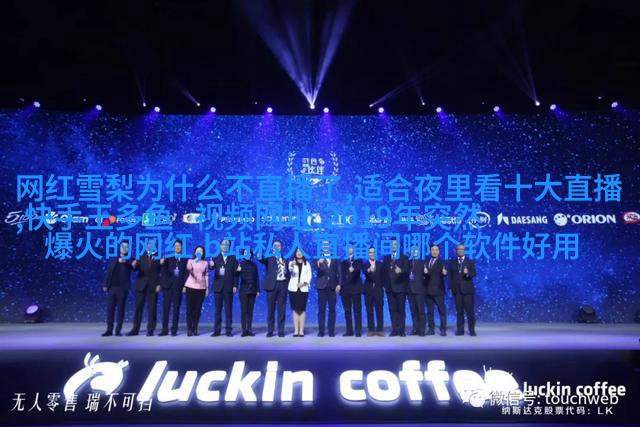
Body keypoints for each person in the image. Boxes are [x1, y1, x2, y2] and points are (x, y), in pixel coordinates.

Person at [127, 239, 162, 336]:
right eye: (149, 244)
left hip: (153, 286)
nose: (150, 246)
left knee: (152, 308)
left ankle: (150, 329)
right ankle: (135, 329)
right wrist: (134, 265)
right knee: (138, 307)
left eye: (153, 244)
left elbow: (162, 272)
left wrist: (159, 284)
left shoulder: (160, 257)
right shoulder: (141, 256)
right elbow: (135, 269)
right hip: (141, 285)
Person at [102, 241, 134, 336]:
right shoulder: (113, 258)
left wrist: (125, 261)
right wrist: (105, 285)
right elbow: (109, 272)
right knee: (110, 310)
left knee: (120, 310)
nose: (124, 249)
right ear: (119, 248)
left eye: (126, 247)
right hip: (112, 288)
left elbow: (134, 267)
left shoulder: (131, 259)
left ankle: (118, 330)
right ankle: (109, 330)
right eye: (123, 247)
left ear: (128, 249)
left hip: (122, 289)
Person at [260, 240, 289, 337]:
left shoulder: (285, 260)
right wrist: (259, 254)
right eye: (275, 246)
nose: (277, 247)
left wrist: (287, 271)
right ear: (272, 248)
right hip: (272, 286)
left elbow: (288, 274)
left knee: (282, 309)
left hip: (283, 285)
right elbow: (261, 259)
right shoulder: (269, 259)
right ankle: (270, 330)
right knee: (270, 310)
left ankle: (281, 330)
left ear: (281, 248)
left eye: (279, 246)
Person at [159, 239, 189, 336]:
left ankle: (174, 330)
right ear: (173, 247)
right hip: (168, 287)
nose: (177, 247)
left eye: (179, 246)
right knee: (166, 308)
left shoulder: (185, 260)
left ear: (182, 247)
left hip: (178, 287)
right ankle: (164, 330)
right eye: (176, 246)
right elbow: (163, 272)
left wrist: (185, 286)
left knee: (176, 309)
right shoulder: (168, 259)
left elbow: (186, 274)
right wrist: (162, 264)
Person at [448, 244, 477, 336]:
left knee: (470, 312)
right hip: (457, 291)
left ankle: (472, 330)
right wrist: (450, 288)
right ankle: (460, 330)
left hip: (468, 291)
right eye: (458, 249)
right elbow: (450, 276)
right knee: (459, 312)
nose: (460, 250)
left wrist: (467, 273)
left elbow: (474, 273)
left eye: (462, 249)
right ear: (456, 250)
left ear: (464, 250)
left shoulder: (470, 261)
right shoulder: (452, 262)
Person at [382, 238, 409, 336]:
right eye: (392, 244)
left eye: (395, 244)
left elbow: (407, 270)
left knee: (401, 310)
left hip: (400, 288)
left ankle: (401, 330)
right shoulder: (386, 258)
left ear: (398, 246)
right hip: (389, 289)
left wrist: (401, 271)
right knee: (392, 310)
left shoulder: (404, 257)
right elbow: (383, 272)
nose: (393, 246)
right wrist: (384, 285)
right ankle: (394, 329)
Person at [211, 239, 238, 337]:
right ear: (220, 246)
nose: (224, 246)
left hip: (229, 287)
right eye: (223, 244)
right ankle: (217, 331)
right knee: (217, 310)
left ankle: (228, 330)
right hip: (218, 287)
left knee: (228, 310)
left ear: (229, 247)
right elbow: (211, 267)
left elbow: (236, 274)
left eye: (227, 245)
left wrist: (235, 285)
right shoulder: (215, 258)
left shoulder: (233, 259)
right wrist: (210, 265)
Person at [315, 241, 340, 337]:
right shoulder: (318, 258)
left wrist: (339, 284)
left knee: (332, 309)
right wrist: (318, 264)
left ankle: (331, 331)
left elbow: (339, 272)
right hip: (322, 287)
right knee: (321, 309)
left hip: (333, 287)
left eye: (327, 245)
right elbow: (317, 273)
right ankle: (321, 331)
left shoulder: (335, 257)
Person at [184, 245, 209, 336]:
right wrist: (193, 265)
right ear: (195, 252)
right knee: (189, 309)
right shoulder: (190, 261)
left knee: (197, 310)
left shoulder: (205, 263)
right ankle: (189, 329)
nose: (199, 252)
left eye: (201, 251)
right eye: (198, 251)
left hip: (201, 288)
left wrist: (207, 288)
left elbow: (206, 275)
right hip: (190, 287)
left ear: (203, 253)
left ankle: (195, 328)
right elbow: (188, 269)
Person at [288, 247, 312, 337]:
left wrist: (304, 283)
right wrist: (292, 265)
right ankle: (296, 330)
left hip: (303, 289)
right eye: (297, 251)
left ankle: (301, 330)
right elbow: (291, 272)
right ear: (295, 253)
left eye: (300, 251)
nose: (299, 253)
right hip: (293, 289)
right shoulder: (291, 262)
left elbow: (309, 275)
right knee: (295, 309)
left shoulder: (307, 264)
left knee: (302, 309)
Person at [425, 243, 447, 336]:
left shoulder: (442, 262)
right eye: (433, 250)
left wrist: (445, 273)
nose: (434, 252)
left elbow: (445, 272)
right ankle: (431, 329)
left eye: (436, 250)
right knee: (429, 312)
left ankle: (443, 329)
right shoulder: (426, 261)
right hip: (427, 290)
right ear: (430, 251)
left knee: (441, 311)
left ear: (439, 251)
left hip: (438, 291)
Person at [341, 244, 363, 337]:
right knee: (347, 311)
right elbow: (341, 275)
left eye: (351, 248)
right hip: (345, 290)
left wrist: (353, 269)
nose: (350, 249)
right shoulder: (343, 262)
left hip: (356, 288)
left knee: (357, 310)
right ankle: (349, 331)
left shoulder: (358, 260)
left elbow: (358, 269)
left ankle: (358, 330)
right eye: (348, 248)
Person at [237, 248, 259, 337]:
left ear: (251, 254)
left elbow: (256, 278)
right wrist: (237, 271)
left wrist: (258, 290)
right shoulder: (240, 264)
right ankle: (244, 330)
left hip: (253, 290)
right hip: (243, 290)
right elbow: (236, 277)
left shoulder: (254, 265)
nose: (247, 254)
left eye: (248, 252)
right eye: (245, 252)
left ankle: (249, 329)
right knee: (244, 311)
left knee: (250, 311)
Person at [363, 246, 384, 336]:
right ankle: (371, 329)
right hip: (368, 290)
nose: (372, 254)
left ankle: (380, 329)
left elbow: (383, 277)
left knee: (379, 310)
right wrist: (369, 270)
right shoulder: (365, 264)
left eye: (373, 252)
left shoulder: (380, 264)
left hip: (378, 290)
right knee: (369, 310)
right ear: (368, 254)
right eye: (370, 252)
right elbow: (365, 272)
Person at [407, 246, 427, 336]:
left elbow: (426, 276)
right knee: (413, 311)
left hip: (419, 290)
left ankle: (422, 329)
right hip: (410, 290)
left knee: (421, 311)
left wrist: (426, 272)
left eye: (416, 250)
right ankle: (415, 329)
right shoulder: (408, 262)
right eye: (412, 250)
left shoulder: (422, 262)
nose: (414, 251)